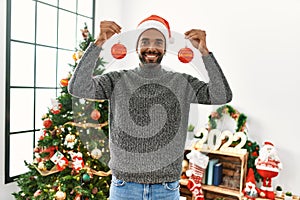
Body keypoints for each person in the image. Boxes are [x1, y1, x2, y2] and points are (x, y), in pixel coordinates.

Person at [68, 15, 232, 200]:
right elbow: (78, 87)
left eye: (158, 42)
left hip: (166, 189)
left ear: (165, 48)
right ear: (136, 46)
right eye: (145, 41)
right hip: (124, 188)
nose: (151, 47)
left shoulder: (181, 82)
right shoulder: (117, 80)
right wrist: (98, 43)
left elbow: (221, 95)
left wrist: (204, 53)